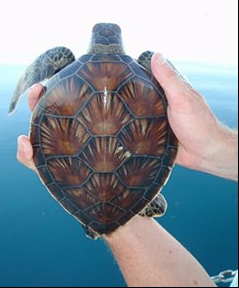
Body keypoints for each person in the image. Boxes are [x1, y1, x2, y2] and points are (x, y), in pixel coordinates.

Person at [16, 53, 238, 287]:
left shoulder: (66, 63)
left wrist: (98, 210)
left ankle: (127, 210)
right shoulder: (145, 65)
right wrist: (212, 144)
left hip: (81, 165)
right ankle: (138, 204)